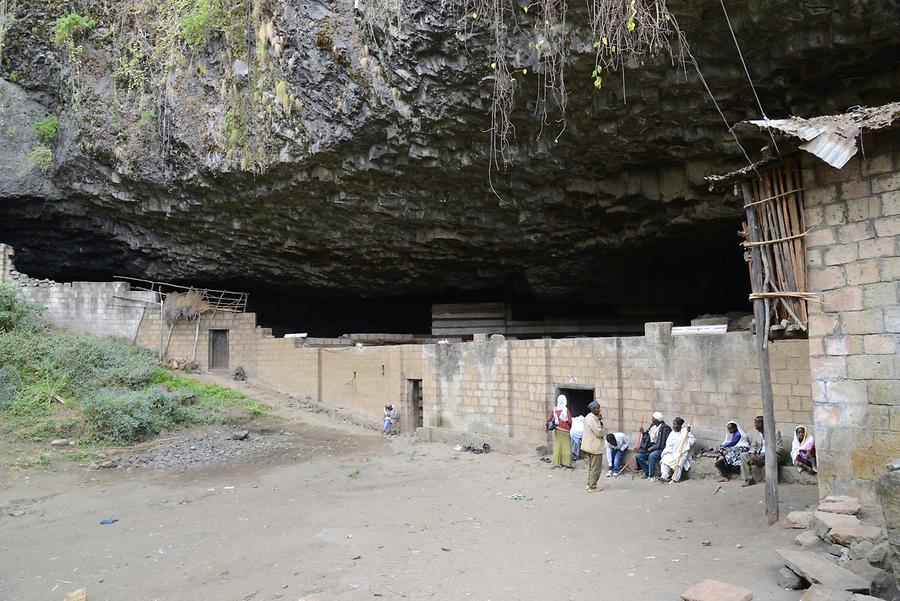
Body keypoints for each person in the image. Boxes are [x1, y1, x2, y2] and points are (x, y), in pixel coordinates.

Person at [741, 415, 787, 487]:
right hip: (758, 456)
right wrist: (752, 454)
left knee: (772, 457)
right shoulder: (756, 433)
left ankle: (770, 480)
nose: (755, 424)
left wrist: (766, 454)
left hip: (769, 455)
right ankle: (749, 479)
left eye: (757, 423)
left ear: (763, 424)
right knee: (743, 455)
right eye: (755, 422)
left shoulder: (775, 432)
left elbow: (779, 448)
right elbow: (753, 446)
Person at [580, 401, 606, 491]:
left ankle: (590, 483)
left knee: (592, 466)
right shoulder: (592, 419)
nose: (600, 410)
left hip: (591, 445)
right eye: (598, 408)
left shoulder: (591, 418)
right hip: (594, 446)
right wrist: (602, 425)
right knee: (596, 467)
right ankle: (592, 486)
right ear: (594, 409)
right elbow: (599, 432)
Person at [636, 411, 671, 479]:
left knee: (652, 455)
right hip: (650, 447)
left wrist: (653, 447)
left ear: (657, 420)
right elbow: (647, 437)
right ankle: (647, 471)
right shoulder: (652, 426)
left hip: (660, 449)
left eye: (653, 418)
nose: (651, 420)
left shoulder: (665, 428)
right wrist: (643, 433)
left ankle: (651, 475)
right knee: (639, 456)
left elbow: (662, 443)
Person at [659, 417, 694, 482]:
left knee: (678, 465)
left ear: (680, 425)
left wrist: (688, 437)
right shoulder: (672, 433)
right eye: (673, 424)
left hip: (682, 453)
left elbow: (692, 441)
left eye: (675, 424)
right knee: (664, 460)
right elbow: (668, 443)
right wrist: (669, 451)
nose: (674, 426)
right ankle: (664, 476)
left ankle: (675, 479)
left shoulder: (685, 431)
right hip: (672, 452)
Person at [547, 394, 574, 469]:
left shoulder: (555, 409)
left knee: (558, 445)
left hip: (558, 430)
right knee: (566, 446)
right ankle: (567, 462)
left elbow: (548, 419)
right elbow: (569, 421)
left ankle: (557, 462)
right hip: (565, 431)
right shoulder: (566, 410)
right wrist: (570, 426)